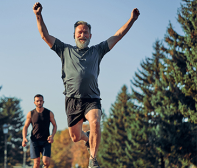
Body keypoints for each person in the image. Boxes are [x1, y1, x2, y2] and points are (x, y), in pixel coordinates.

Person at [32, 2, 140, 168]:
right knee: (75, 137)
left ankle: (93, 160)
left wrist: (131, 20)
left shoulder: (98, 50)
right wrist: (38, 16)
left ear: (90, 36)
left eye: (85, 32)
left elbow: (117, 35)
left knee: (96, 121)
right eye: (79, 32)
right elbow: (45, 36)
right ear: (74, 36)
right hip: (72, 100)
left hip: (92, 98)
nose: (82, 34)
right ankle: (87, 137)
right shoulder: (64, 50)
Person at [22, 94, 57, 168]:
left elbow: (55, 125)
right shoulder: (31, 114)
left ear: (43, 101)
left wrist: (52, 136)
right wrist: (24, 138)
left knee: (46, 162)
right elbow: (25, 126)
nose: (39, 102)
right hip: (35, 141)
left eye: (40, 101)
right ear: (34, 102)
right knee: (36, 162)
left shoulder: (49, 113)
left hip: (46, 141)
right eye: (37, 101)